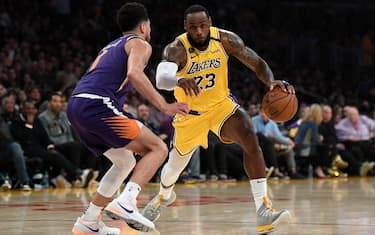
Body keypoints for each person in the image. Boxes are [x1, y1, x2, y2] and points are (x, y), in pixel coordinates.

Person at [143, 4, 291, 234]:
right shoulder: (177, 48)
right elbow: (161, 79)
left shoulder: (225, 39)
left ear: (210, 22)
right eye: (193, 27)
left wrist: (269, 81)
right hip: (190, 116)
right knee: (173, 169)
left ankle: (263, 210)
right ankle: (162, 196)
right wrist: (180, 81)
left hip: (221, 107)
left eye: (203, 26)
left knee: (251, 139)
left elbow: (255, 61)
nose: (199, 31)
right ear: (185, 27)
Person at [67, 3, 189, 235]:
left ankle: (89, 221)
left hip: (76, 105)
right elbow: (134, 73)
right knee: (158, 148)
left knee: (125, 162)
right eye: (149, 25)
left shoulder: (112, 45)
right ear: (144, 26)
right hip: (96, 104)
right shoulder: (140, 43)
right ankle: (127, 201)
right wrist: (165, 106)